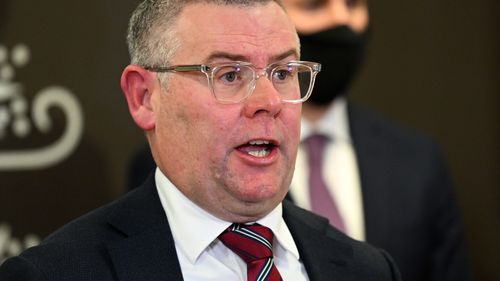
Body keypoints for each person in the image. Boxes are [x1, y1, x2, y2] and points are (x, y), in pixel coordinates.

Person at [0, 0, 402, 280]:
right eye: (229, 75)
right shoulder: (54, 274)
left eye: (282, 73)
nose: (268, 103)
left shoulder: (368, 270)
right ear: (144, 97)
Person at [282, 1, 472, 281]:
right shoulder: (232, 159)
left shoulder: (417, 161)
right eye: (314, 5)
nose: (341, 19)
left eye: (352, 4)